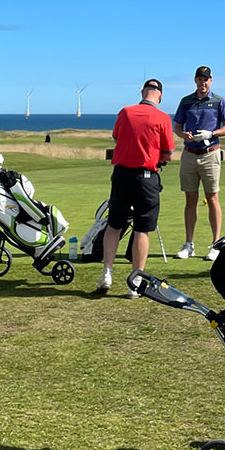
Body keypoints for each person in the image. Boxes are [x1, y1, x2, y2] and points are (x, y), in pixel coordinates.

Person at [97, 79, 174, 297]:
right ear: (159, 96)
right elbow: (168, 153)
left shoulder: (125, 112)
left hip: (121, 174)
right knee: (142, 229)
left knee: (114, 225)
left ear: (143, 92)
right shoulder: (162, 118)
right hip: (147, 177)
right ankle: (135, 281)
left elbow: (116, 137)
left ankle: (107, 273)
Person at [172, 65, 225, 261]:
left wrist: (212, 133)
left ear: (211, 81)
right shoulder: (186, 101)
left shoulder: (218, 101)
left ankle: (216, 245)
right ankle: (189, 244)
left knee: (212, 198)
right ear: (195, 80)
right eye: (200, 79)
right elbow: (178, 127)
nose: (203, 82)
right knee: (190, 199)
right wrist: (185, 135)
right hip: (189, 154)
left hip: (210, 154)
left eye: (206, 79)